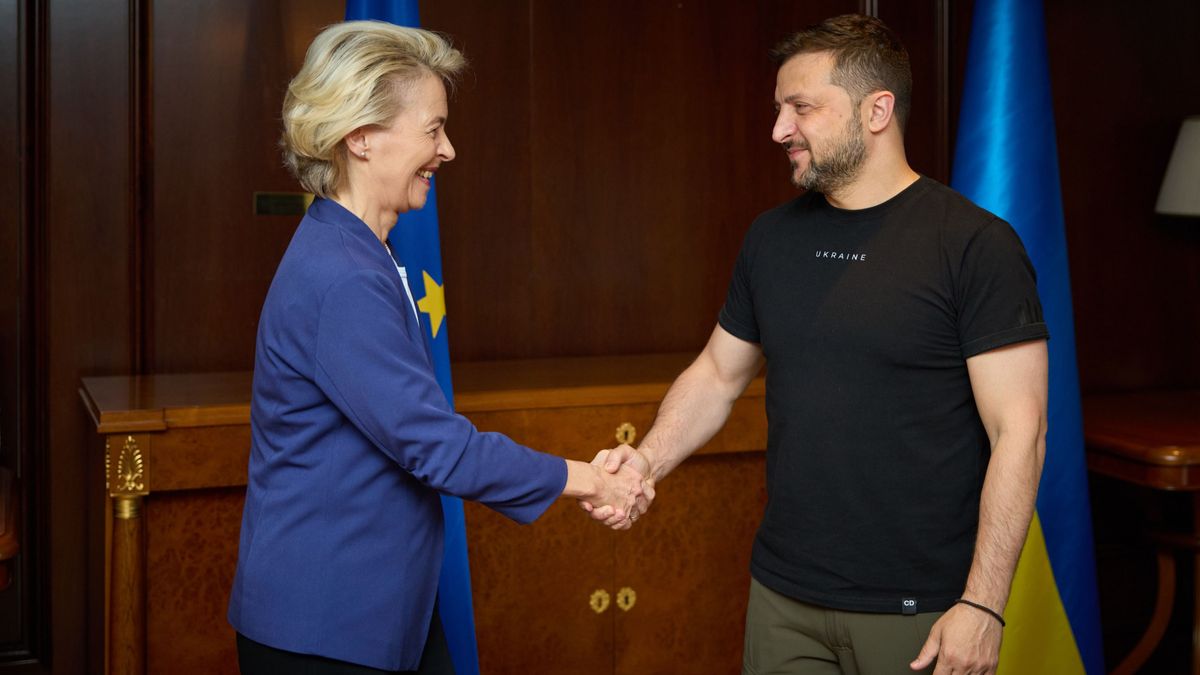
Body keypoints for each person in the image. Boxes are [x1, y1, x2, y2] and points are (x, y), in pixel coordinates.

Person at [594, 14, 1048, 675]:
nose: (780, 129)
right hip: (783, 598)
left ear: (877, 110)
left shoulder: (975, 245)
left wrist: (983, 604)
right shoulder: (770, 238)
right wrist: (644, 464)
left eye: (801, 107)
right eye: (778, 108)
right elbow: (718, 375)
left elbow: (1021, 430)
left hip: (924, 611)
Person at [227, 21, 649, 675]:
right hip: (325, 628)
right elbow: (436, 447)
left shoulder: (359, 250)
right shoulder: (342, 276)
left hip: (380, 612)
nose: (448, 150)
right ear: (361, 136)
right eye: (432, 129)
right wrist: (590, 477)